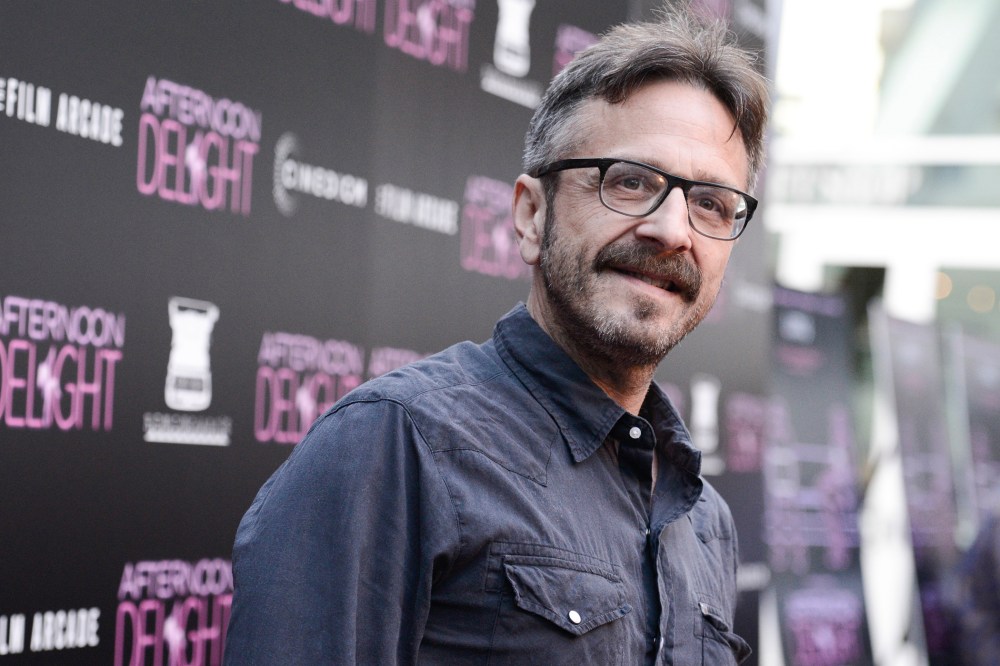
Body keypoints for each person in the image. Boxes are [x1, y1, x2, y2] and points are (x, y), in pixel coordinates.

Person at [224, 6, 769, 664]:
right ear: (530, 215)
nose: (674, 230)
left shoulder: (703, 519)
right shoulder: (394, 445)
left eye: (711, 203)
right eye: (631, 182)